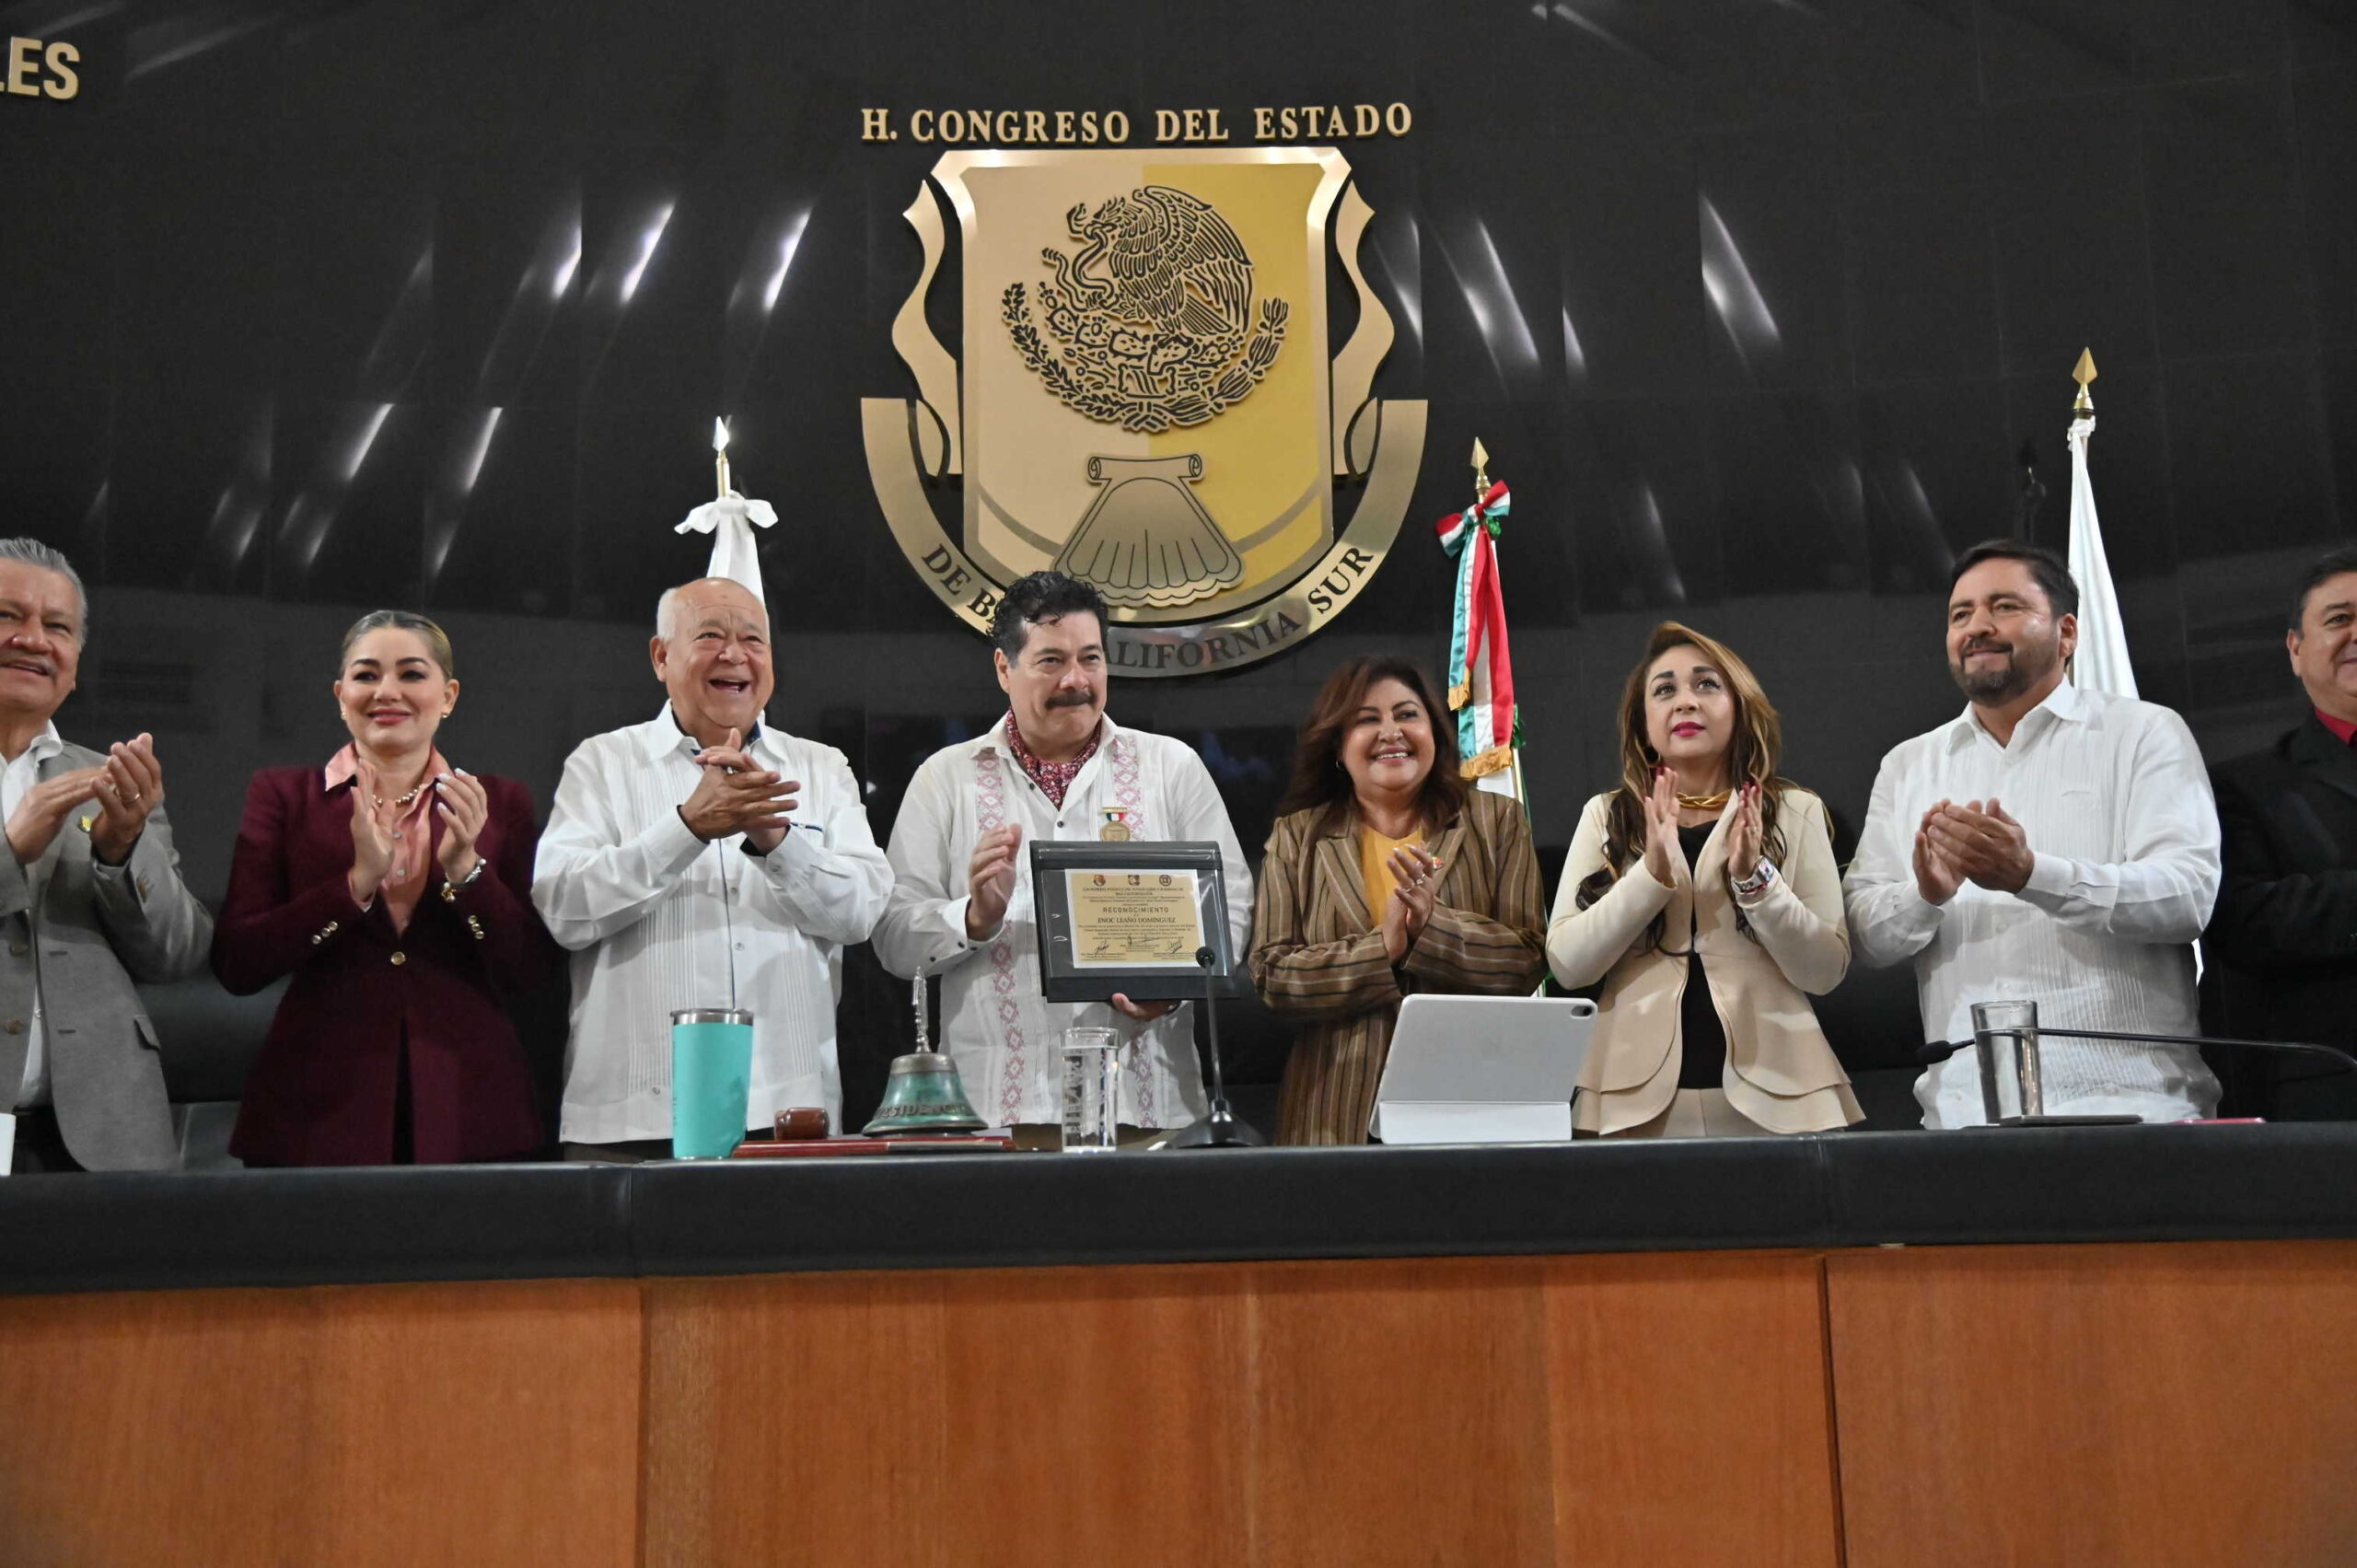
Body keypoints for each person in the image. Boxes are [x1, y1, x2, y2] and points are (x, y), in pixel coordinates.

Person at [1845, 539, 2221, 1126]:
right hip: (1965, 1118)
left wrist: (2031, 875)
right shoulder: (1909, 765)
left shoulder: (2143, 733)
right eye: (1960, 614)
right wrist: (1925, 895)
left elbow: (2187, 898)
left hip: (2136, 1109)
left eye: (2005, 607)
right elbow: (1866, 937)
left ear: (2067, 633)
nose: (1978, 627)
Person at [875, 572, 1250, 1144]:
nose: (1076, 681)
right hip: (994, 1115)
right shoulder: (945, 779)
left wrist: (1173, 984)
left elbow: (1231, 905)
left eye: (1091, 658)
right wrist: (973, 919)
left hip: (1149, 1109)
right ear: (1004, 668)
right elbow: (894, 938)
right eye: (1051, 661)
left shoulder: (1169, 767)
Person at [534, 576, 890, 1158]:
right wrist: (687, 827)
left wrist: (776, 839)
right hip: (632, 1121)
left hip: (789, 1117)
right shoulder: (602, 762)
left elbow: (862, 914)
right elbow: (564, 909)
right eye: (710, 635)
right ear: (660, 656)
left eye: (754, 639)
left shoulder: (821, 768)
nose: (735, 654)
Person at [213, 611, 556, 1165]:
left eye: (412, 675)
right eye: (366, 675)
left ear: (448, 696)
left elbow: (530, 972)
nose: (386, 692)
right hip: (316, 1108)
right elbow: (238, 963)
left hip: (468, 1103)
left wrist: (467, 871)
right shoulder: (283, 795)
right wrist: (354, 886)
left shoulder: (497, 803)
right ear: (340, 693)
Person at [1547, 624, 1860, 1137]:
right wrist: (1649, 877)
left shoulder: (1795, 811)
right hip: (1627, 1096)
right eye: (1665, 689)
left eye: (1706, 685)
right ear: (1642, 721)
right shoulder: (1607, 815)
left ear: (1739, 706)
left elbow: (1824, 970)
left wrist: (1755, 880)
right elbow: (1568, 964)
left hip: (1782, 1094)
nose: (1685, 701)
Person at [1252, 655, 1546, 1144]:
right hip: (1333, 1112)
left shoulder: (1497, 822)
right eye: (1367, 720)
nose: (1391, 731)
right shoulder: (1297, 837)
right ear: (1338, 748)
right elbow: (1272, 976)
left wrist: (1433, 927)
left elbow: (1527, 959)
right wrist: (1382, 948)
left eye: (1407, 715)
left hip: (1468, 1104)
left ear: (1434, 733)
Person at [0, 538, 212, 1172]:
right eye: (7, 616)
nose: (34, 639)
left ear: (75, 659)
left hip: (106, 1139)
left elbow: (178, 950)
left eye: (57, 626)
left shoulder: (108, 777)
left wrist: (120, 853)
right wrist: (10, 850)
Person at [2203, 547, 2357, 1111]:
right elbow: (2242, 923)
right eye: (2340, 619)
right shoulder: (2243, 787)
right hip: (2337, 1102)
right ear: (2296, 649)